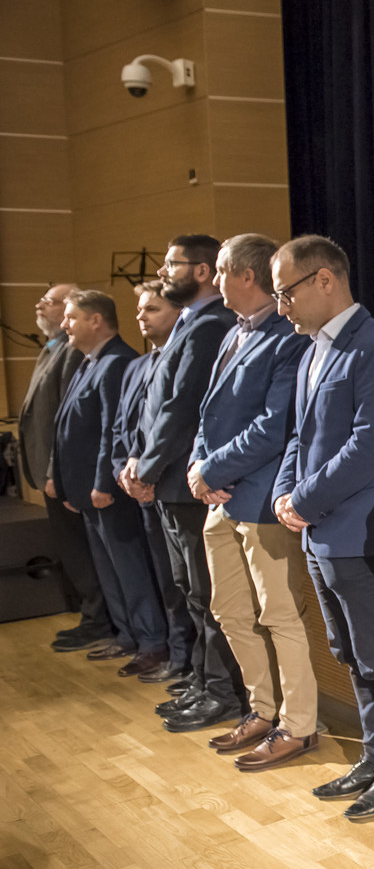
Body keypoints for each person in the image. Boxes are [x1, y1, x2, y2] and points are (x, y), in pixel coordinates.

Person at [271, 235, 374, 818]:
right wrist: (285, 493)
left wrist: (304, 500)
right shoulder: (312, 350)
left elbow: (368, 448)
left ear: (325, 280)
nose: (281, 306)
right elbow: (299, 435)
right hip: (319, 531)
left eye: (287, 292)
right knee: (350, 653)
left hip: (360, 532)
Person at [190, 233, 317, 771]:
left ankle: (298, 726)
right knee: (229, 611)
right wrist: (199, 467)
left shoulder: (288, 336)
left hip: (262, 499)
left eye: (220, 270)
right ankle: (262, 711)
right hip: (219, 498)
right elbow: (207, 415)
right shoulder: (233, 332)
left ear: (247, 275)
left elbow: (274, 427)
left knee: (280, 615)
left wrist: (212, 471)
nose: (214, 279)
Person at [128, 234, 245, 733]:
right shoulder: (190, 324)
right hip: (172, 482)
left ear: (201, 270)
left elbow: (182, 411)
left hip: (188, 481)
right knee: (190, 591)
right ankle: (203, 678)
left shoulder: (209, 325)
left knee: (208, 593)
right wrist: (141, 460)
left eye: (171, 263)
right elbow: (156, 407)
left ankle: (223, 691)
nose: (163, 272)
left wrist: (148, 467)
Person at [44, 291, 164, 669]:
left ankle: (151, 642)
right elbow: (68, 428)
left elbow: (113, 431)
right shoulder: (89, 361)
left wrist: (103, 484)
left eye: (71, 317)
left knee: (130, 569)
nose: (65, 324)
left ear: (96, 320)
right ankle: (127, 635)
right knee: (111, 571)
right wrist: (64, 482)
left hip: (108, 491)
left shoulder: (116, 362)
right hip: (87, 491)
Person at [20, 282, 112, 652]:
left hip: (64, 472)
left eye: (50, 301)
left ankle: (99, 620)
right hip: (51, 470)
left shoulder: (72, 353)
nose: (39, 305)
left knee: (81, 549)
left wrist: (54, 470)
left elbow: (68, 421)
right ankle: (91, 615)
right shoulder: (52, 348)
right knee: (72, 549)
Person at [114, 284, 198, 684]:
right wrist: (129, 467)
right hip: (146, 485)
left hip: (173, 484)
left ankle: (189, 662)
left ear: (178, 313)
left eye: (152, 308)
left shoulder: (186, 356)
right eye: (139, 309)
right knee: (168, 582)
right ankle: (179, 657)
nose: (140, 316)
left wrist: (147, 472)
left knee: (189, 587)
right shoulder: (138, 365)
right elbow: (128, 426)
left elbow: (178, 420)